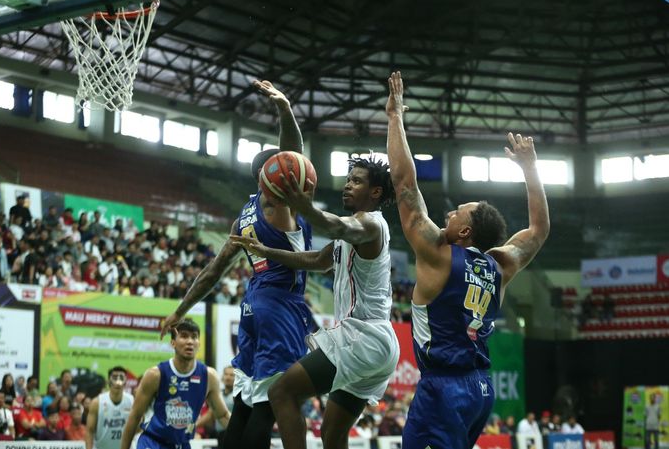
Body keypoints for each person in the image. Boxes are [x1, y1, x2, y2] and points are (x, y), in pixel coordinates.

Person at [384, 71, 550, 449]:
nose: (448, 214)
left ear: (464, 233)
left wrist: (395, 117)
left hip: (443, 387)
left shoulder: (438, 254)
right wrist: (530, 170)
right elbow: (538, 231)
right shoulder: (501, 266)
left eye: (457, 212)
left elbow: (405, 185)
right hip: (479, 389)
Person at [160, 80, 310, 449]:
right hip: (279, 309)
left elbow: (213, 271)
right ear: (275, 177)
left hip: (252, 305)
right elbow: (292, 156)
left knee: (242, 410)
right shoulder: (278, 204)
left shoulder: (244, 214)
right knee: (268, 409)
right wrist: (284, 109)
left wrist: (180, 310)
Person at [232, 154, 399, 449]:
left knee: (281, 392)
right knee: (332, 435)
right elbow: (318, 261)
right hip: (378, 345)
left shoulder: (369, 225)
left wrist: (302, 205)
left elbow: (335, 227)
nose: (348, 186)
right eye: (348, 180)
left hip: (364, 337)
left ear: (375, 193)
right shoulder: (352, 231)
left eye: (357, 181)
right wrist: (267, 251)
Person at [121, 319, 230, 449]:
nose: (190, 341)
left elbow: (223, 415)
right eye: (184, 336)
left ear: (199, 343)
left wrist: (249, 436)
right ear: (173, 342)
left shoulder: (209, 376)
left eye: (194, 337)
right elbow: (135, 416)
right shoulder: (155, 375)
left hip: (181, 445)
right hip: (152, 442)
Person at [86, 366, 134, 449]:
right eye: (114, 378)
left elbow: (138, 430)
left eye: (121, 378)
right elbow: (90, 431)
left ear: (125, 381)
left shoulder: (131, 401)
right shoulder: (97, 402)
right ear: (108, 381)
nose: (118, 381)